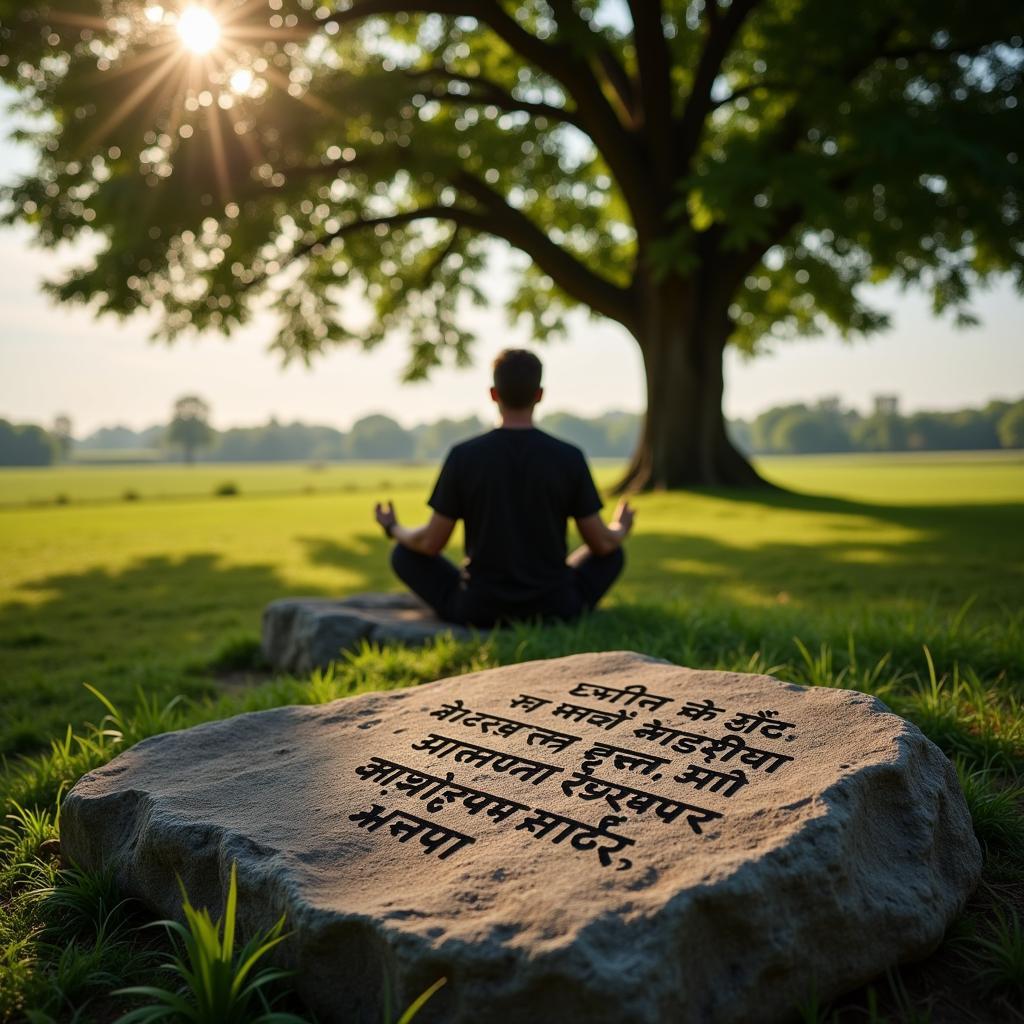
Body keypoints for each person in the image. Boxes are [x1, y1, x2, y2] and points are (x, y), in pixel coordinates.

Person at [373, 348, 634, 627]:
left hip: (479, 608)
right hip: (555, 605)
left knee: (403, 554)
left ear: (493, 394)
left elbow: (430, 543)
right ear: (540, 395)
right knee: (613, 555)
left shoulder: (465, 456)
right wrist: (621, 527)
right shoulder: (568, 457)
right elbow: (601, 543)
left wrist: (393, 528)